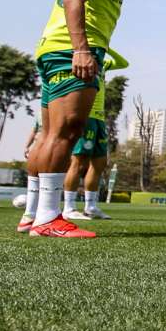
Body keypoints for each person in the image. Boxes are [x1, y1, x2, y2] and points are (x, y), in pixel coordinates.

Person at [24, 0, 166, 238]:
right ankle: (47, 218)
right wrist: (82, 50)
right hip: (68, 49)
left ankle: (35, 215)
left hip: (54, 47)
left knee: (51, 134)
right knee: (66, 132)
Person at [63, 49, 127, 221]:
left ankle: (91, 207)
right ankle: (68, 207)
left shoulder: (103, 64)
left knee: (99, 163)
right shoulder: (80, 61)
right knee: (79, 162)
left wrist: (107, 49)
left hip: (100, 118)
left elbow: (124, 63)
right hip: (87, 116)